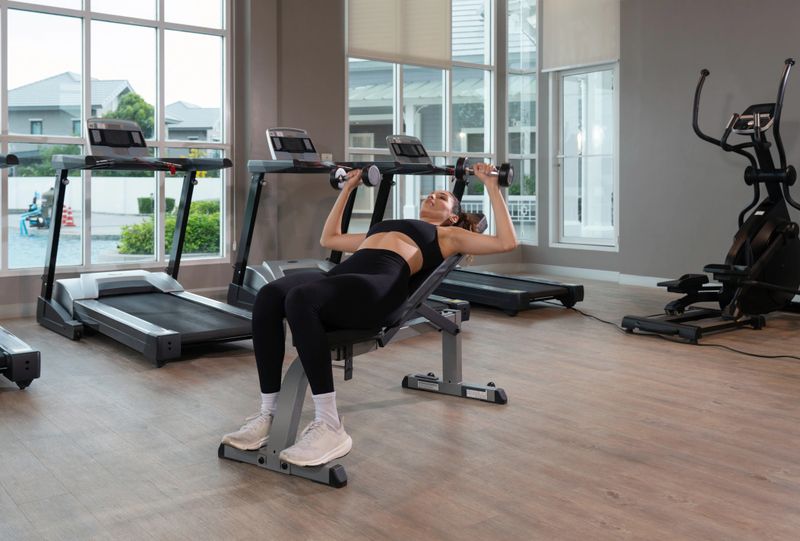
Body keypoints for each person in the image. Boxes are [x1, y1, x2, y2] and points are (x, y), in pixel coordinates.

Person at [222, 162, 517, 466]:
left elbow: (507, 242)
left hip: (378, 287)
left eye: (441, 197)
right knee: (270, 294)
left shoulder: (448, 236)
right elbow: (330, 239)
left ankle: (330, 424)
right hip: (343, 278)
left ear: (453, 216)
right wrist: (347, 189)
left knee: (300, 298)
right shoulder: (388, 225)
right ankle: (269, 413)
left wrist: (492, 186)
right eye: (431, 194)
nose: (431, 197)